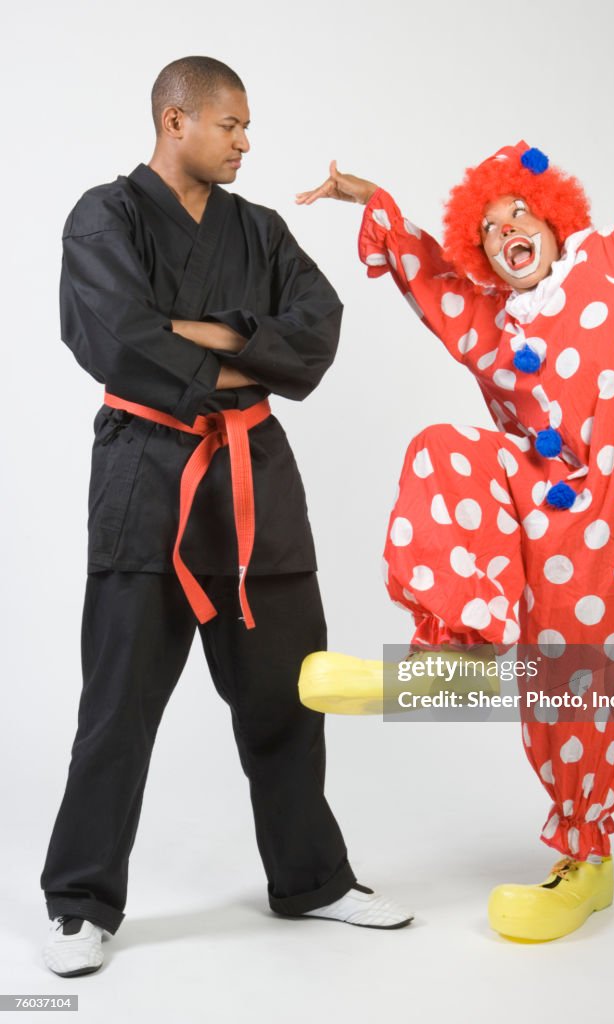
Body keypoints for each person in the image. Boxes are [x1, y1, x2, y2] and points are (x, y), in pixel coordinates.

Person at [295, 38, 614, 941]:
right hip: (547, 516)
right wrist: (379, 205)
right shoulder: (495, 328)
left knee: (588, 681)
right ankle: (458, 641)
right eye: (491, 227)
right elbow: (432, 283)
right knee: (444, 449)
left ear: (551, 220)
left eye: (521, 214)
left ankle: (586, 857)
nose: (508, 229)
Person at [42, 55, 412, 979]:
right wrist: (251, 346)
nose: (247, 142)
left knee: (289, 696)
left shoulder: (262, 228)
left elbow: (317, 326)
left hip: (257, 487)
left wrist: (205, 331)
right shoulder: (104, 215)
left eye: (247, 127)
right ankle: (81, 902)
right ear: (176, 121)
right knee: (117, 709)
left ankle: (313, 880)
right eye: (232, 125)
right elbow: (116, 336)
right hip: (145, 485)